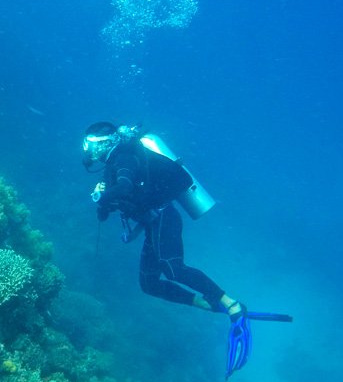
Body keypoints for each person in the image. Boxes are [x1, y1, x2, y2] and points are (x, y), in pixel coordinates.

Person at [82, 121, 245, 322]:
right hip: (153, 222)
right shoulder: (111, 167)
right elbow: (136, 201)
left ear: (104, 143)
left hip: (166, 218)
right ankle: (206, 303)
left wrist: (102, 197)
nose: (89, 150)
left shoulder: (124, 158)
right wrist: (106, 207)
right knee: (149, 284)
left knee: (172, 268)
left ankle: (230, 303)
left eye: (90, 145)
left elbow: (124, 187)